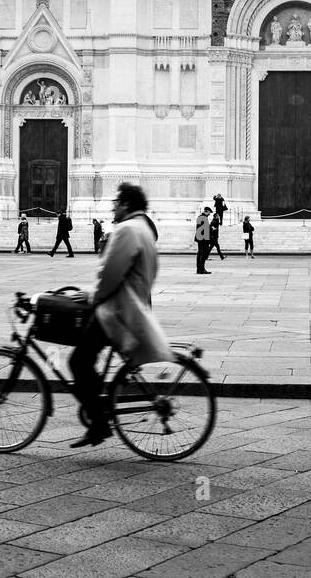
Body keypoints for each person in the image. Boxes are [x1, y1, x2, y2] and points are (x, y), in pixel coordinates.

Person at [69, 182, 173, 448]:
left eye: (115, 202)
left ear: (126, 204)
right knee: (90, 360)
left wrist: (93, 297)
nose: (113, 207)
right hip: (132, 306)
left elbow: (111, 273)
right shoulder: (145, 229)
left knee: (78, 362)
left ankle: (99, 421)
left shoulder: (128, 229)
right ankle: (101, 409)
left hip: (116, 311)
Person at [194, 205, 212, 275]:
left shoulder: (200, 217)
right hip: (203, 239)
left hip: (200, 238)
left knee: (200, 253)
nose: (209, 214)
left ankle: (199, 269)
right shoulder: (204, 218)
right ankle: (201, 269)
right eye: (209, 213)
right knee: (203, 254)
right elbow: (205, 230)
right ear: (206, 211)